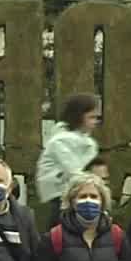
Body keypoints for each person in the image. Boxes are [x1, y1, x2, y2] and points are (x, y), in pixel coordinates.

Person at [35, 93, 101, 230]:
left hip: (74, 195)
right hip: (59, 197)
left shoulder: (87, 143)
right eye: (91, 117)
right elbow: (73, 170)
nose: (95, 121)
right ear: (79, 116)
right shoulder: (59, 142)